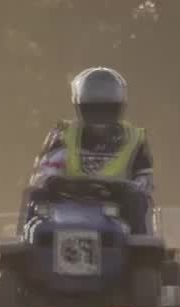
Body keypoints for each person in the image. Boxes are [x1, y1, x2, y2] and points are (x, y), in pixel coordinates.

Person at [20, 67, 155, 235]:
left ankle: (140, 252)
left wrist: (117, 188)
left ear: (119, 107)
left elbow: (145, 182)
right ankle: (28, 241)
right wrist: (65, 185)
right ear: (80, 107)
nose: (100, 116)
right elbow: (43, 173)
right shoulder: (63, 134)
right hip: (67, 198)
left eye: (107, 109)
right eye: (93, 109)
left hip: (118, 205)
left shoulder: (134, 138)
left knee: (137, 200)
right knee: (35, 194)